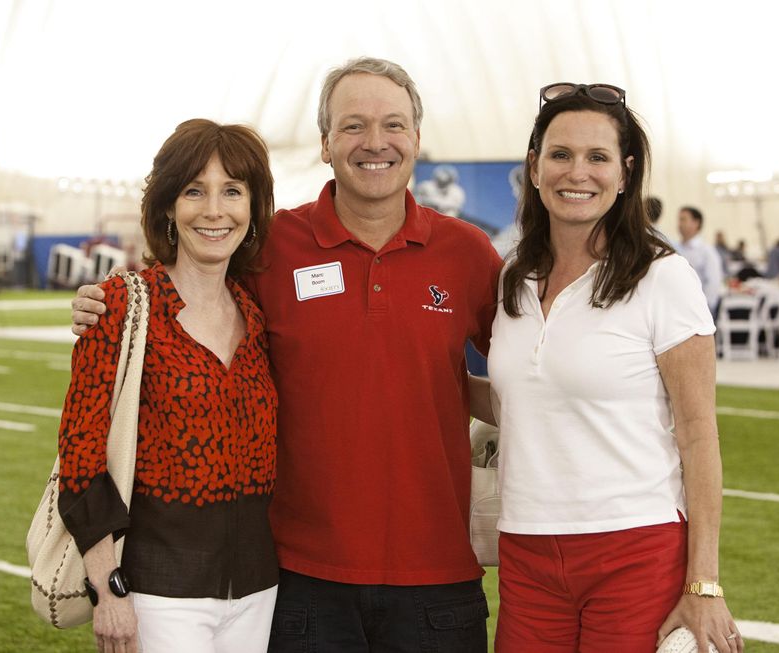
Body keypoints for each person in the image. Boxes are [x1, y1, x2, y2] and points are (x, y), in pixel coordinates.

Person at [72, 57, 501, 652]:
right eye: (353, 126)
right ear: (325, 143)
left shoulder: (469, 253)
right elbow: (189, 297)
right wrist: (107, 304)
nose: (374, 142)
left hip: (438, 581)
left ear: (418, 139)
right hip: (302, 584)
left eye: (393, 125)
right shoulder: (271, 249)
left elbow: (529, 368)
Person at [470, 83, 742, 652]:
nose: (578, 173)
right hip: (526, 549)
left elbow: (698, 435)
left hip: (635, 550)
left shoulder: (663, 277)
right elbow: (516, 404)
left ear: (626, 172)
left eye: (598, 157)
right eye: (561, 155)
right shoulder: (511, 278)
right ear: (535, 168)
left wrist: (705, 583)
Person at [58, 119, 279, 653]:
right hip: (158, 592)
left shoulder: (257, 312)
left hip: (259, 590)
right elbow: (79, 460)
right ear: (167, 208)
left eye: (232, 191)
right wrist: (110, 593)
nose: (214, 210)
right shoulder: (121, 307)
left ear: (252, 209)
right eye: (194, 191)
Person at [677, 206, 725, 318]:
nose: (679, 223)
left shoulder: (706, 251)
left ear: (696, 223)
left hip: (699, 311)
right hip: (679, 308)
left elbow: (714, 282)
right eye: (679, 220)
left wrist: (705, 309)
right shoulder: (676, 249)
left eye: (683, 219)